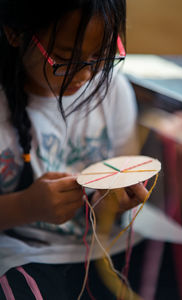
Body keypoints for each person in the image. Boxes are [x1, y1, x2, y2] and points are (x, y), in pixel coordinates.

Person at [0, 1, 148, 299]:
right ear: (14, 34)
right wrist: (26, 206)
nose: (84, 75)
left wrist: (111, 203)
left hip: (107, 247)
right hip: (26, 255)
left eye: (100, 56)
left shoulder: (114, 89)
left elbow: (120, 181)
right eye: (64, 59)